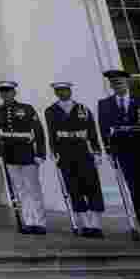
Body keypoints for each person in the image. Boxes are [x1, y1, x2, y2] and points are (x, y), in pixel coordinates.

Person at [44, 81, 104, 238]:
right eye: (59, 91)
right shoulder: (51, 111)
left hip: (84, 152)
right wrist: (54, 151)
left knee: (91, 186)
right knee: (74, 188)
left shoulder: (83, 109)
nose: (63, 93)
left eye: (65, 90)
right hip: (65, 153)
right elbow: (52, 134)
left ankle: (96, 223)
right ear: (56, 93)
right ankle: (84, 223)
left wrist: (97, 151)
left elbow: (92, 132)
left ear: (70, 91)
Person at [98, 69, 140, 241]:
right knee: (137, 193)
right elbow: (104, 129)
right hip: (124, 154)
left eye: (119, 82)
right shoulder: (104, 104)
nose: (117, 85)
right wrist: (109, 151)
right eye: (113, 83)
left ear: (127, 83)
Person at [0, 80, 47, 235]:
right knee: (20, 190)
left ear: (14, 93)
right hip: (9, 156)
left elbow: (39, 132)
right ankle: (29, 221)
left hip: (27, 154)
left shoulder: (26, 109)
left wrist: (40, 154)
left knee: (33, 189)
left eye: (8, 91)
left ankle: (40, 222)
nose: (5, 94)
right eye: (2, 92)